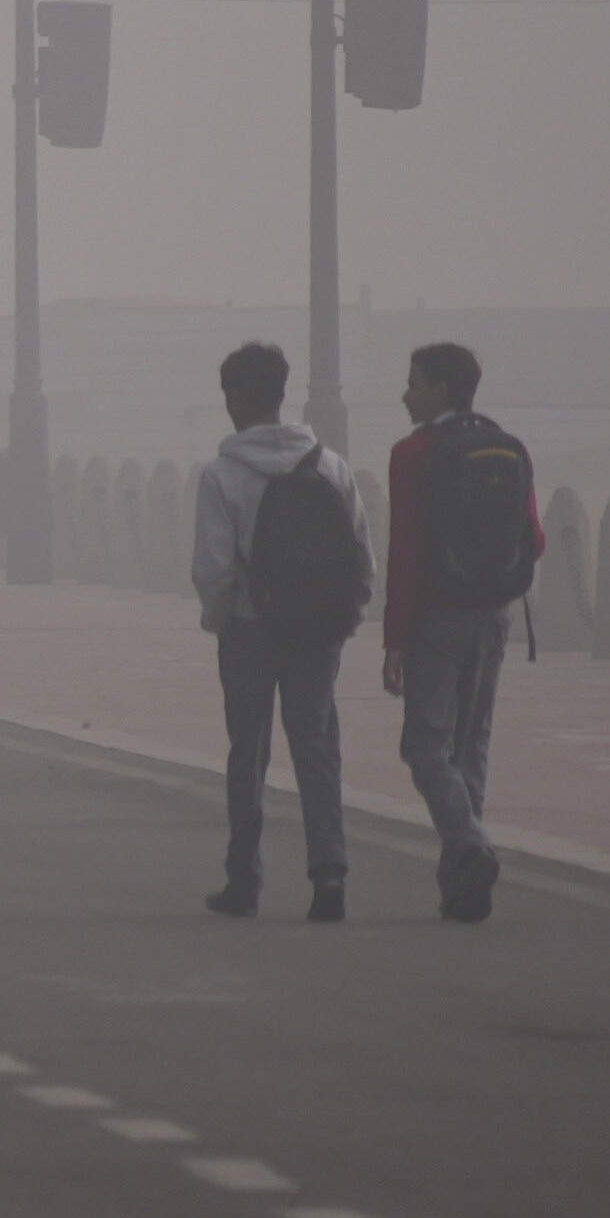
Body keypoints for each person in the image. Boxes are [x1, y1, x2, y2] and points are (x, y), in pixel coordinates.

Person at [189, 341, 369, 921]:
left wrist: (220, 621)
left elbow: (214, 567)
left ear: (236, 397)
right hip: (317, 631)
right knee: (315, 745)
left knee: (250, 750)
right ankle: (329, 876)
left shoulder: (221, 474)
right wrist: (344, 618)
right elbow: (360, 554)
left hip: (249, 628)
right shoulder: (329, 464)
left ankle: (244, 879)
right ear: (282, 393)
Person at [382, 341, 543, 924]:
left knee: (423, 744)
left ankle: (470, 846)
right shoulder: (508, 446)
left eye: (415, 383)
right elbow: (537, 540)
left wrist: (394, 639)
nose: (406, 394)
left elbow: (404, 551)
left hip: (437, 615)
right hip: (495, 614)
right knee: (470, 745)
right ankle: (463, 887)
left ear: (442, 390)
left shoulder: (413, 453)